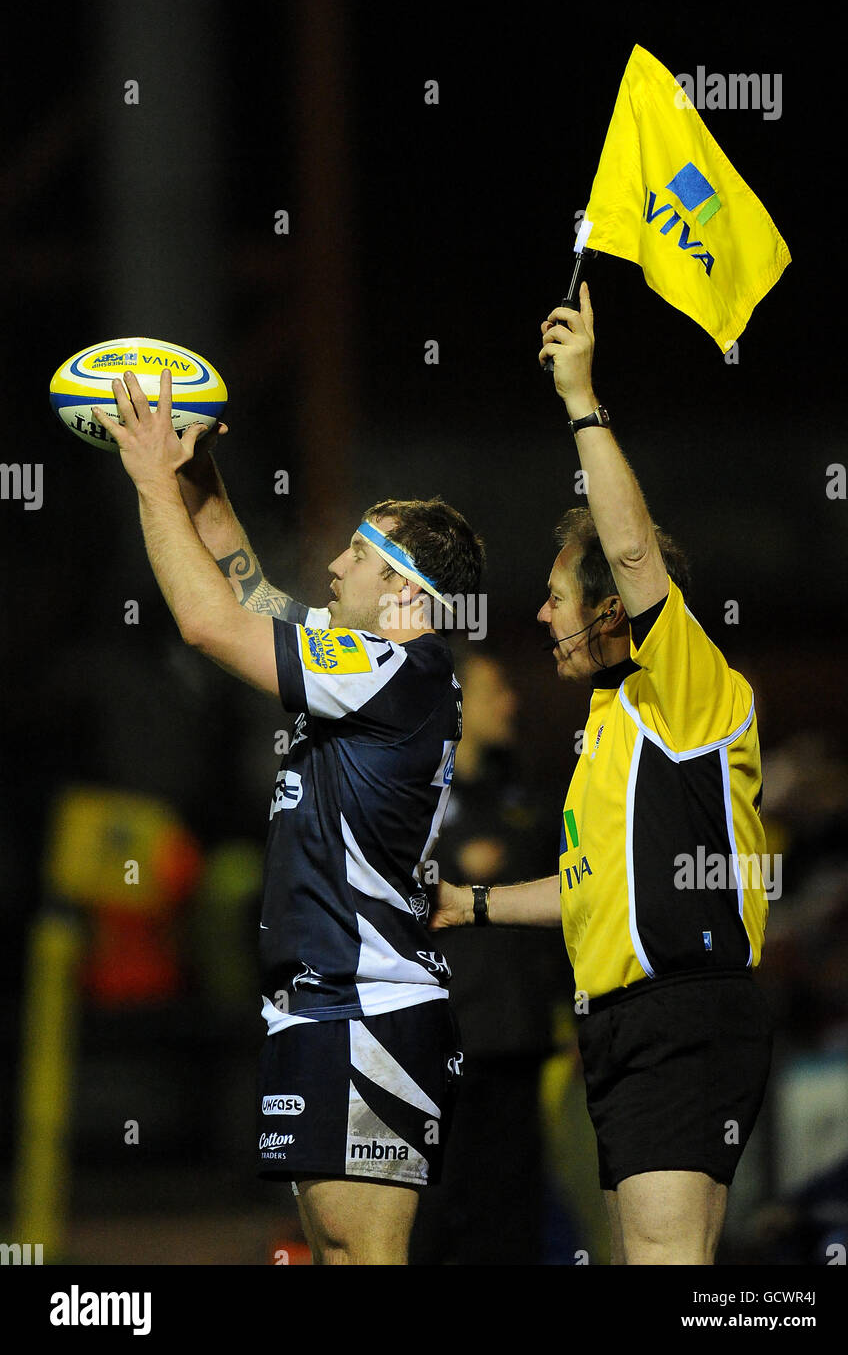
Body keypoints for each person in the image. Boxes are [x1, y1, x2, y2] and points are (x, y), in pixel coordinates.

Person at [92, 375, 484, 1265]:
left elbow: (206, 622)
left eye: (358, 553)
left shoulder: (391, 669)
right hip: (324, 1005)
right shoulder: (372, 664)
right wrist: (200, 470)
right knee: (333, 1259)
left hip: (369, 1008)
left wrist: (151, 479)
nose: (336, 565)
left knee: (361, 1261)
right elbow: (244, 583)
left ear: (404, 592)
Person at [433, 283, 773, 1265]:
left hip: (682, 1011)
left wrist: (578, 395)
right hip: (625, 1025)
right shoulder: (605, 725)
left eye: (551, 599)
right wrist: (473, 904)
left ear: (610, 610)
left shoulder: (684, 684)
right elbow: (590, 888)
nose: (540, 617)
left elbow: (625, 548)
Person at [409, 649, 570, 1265]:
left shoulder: (531, 792)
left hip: (519, 1036)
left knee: (512, 1209)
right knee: (434, 1203)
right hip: (439, 1037)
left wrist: (568, 1012)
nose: (511, 703)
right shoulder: (410, 790)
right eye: (493, 691)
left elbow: (567, 907)